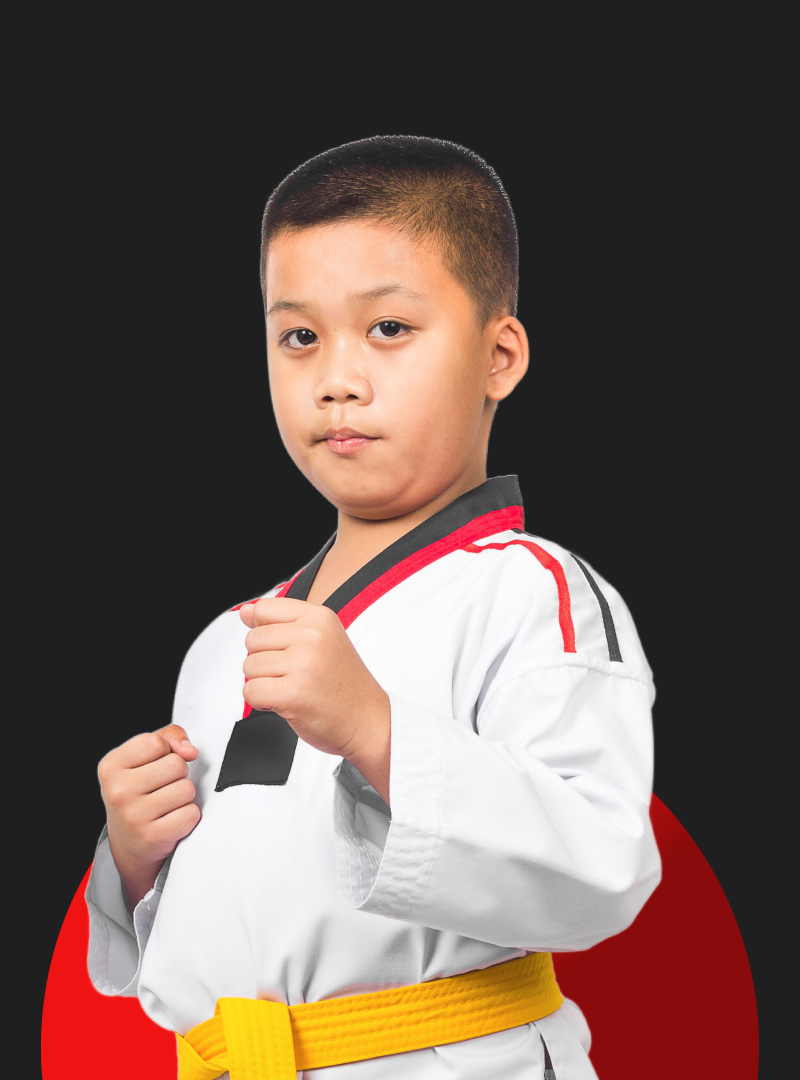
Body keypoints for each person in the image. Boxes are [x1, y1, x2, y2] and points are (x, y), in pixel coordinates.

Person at [86, 135, 661, 1079]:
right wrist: (133, 854)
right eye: (299, 335)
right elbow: (231, 913)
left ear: (500, 355)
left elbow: (600, 867)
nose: (336, 377)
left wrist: (378, 731)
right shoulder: (223, 642)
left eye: (388, 329)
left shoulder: (530, 590)